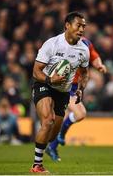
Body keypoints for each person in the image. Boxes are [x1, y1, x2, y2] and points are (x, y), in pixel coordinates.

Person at [30, 11, 91, 174]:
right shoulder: (52, 44)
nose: (82, 29)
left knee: (51, 136)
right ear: (67, 25)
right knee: (48, 121)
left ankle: (46, 145)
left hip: (63, 92)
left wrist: (80, 89)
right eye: (79, 25)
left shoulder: (83, 50)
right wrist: (50, 80)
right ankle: (37, 165)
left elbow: (85, 73)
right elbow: (36, 71)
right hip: (44, 85)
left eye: (84, 26)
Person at [45, 37, 107, 162]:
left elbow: (94, 57)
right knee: (80, 113)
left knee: (64, 118)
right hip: (63, 86)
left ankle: (52, 147)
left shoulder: (86, 43)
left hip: (75, 86)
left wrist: (99, 65)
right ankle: (61, 135)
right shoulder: (61, 45)